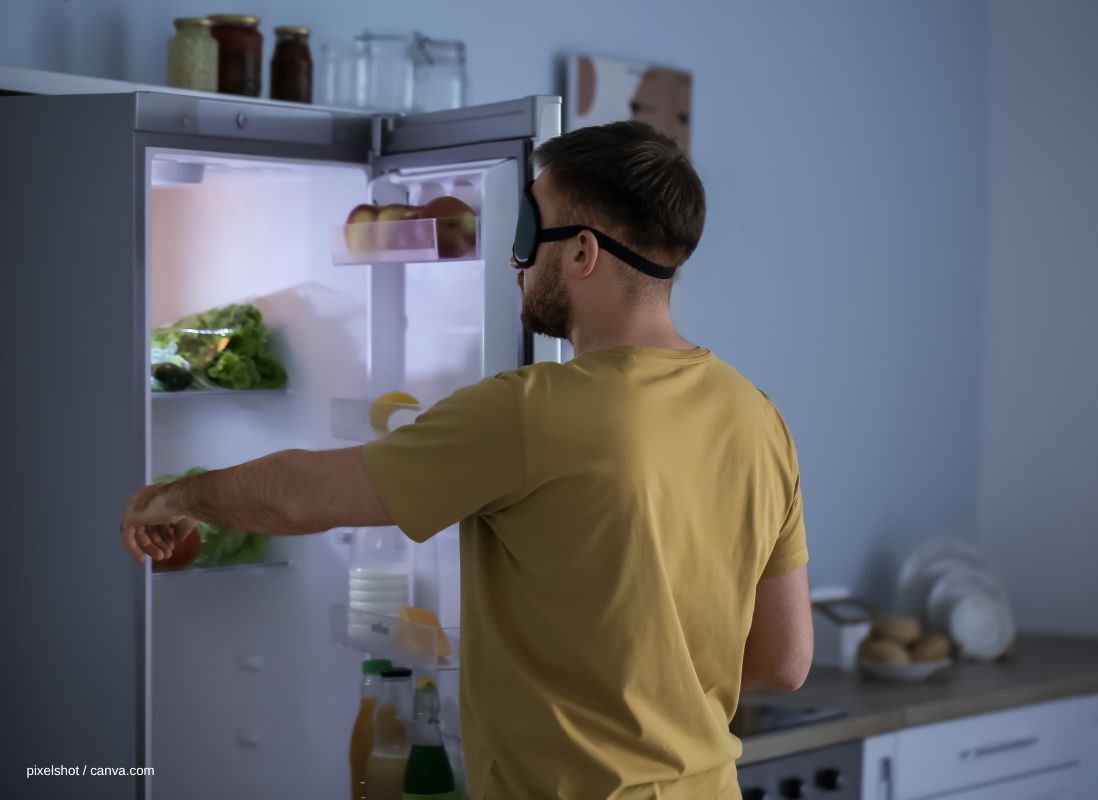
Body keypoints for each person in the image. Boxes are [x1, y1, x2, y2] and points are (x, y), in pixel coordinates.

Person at [120, 120, 813, 799]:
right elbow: (785, 662)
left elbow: (299, 496)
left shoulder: (531, 411)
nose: (515, 262)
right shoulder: (758, 417)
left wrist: (177, 496)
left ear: (581, 254)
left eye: (523, 235)